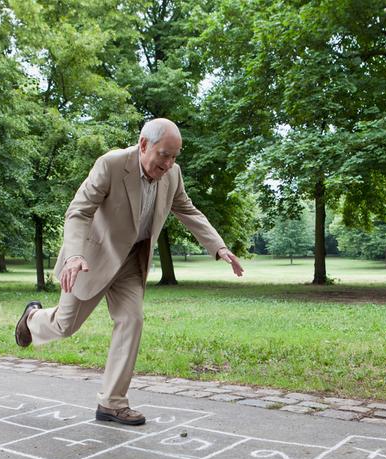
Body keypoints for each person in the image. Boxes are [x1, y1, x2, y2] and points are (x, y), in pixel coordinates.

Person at [14, 118, 244, 426]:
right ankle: (32, 320)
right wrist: (74, 256)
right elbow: (79, 211)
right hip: (91, 259)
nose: (169, 163)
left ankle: (112, 403)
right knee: (66, 326)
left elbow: (187, 209)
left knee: (131, 320)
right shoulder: (111, 164)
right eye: (164, 154)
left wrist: (219, 247)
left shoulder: (172, 175)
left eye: (175, 156)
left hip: (131, 263)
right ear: (144, 144)